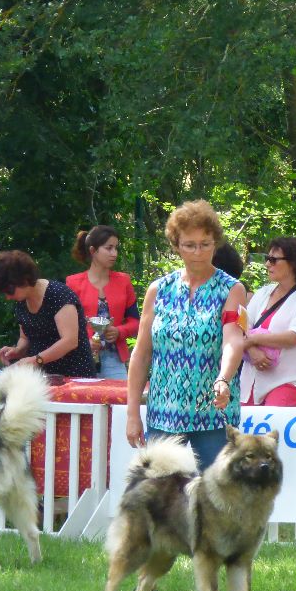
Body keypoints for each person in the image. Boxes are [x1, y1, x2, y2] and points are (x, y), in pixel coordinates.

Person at [126, 199, 247, 470]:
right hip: (164, 412)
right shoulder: (158, 290)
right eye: (190, 245)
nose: (198, 252)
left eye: (205, 244)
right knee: (159, 489)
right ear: (176, 245)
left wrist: (224, 378)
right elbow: (142, 354)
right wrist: (133, 413)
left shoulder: (232, 289)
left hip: (214, 413)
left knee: (216, 490)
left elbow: (233, 339)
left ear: (215, 243)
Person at [0, 250, 96, 378]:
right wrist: (17, 351)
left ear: (24, 279)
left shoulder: (59, 295)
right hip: (43, 378)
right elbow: (25, 338)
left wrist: (35, 360)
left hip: (75, 375)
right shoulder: (21, 301)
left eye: (9, 291)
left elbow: (70, 341)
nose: (8, 297)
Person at [240, 237, 296, 407]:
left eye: (273, 260)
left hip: (287, 383)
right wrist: (252, 351)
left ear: (293, 263)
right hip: (251, 383)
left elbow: (294, 337)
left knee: (271, 423)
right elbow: (242, 327)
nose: (267, 264)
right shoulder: (262, 293)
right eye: (267, 258)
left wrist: (253, 339)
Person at [65, 226, 140, 379]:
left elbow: (136, 322)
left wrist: (119, 331)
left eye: (116, 248)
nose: (114, 253)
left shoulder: (124, 281)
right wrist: (85, 343)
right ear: (93, 251)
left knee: (120, 395)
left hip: (115, 359)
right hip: (81, 358)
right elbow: (65, 327)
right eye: (109, 248)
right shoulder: (73, 283)